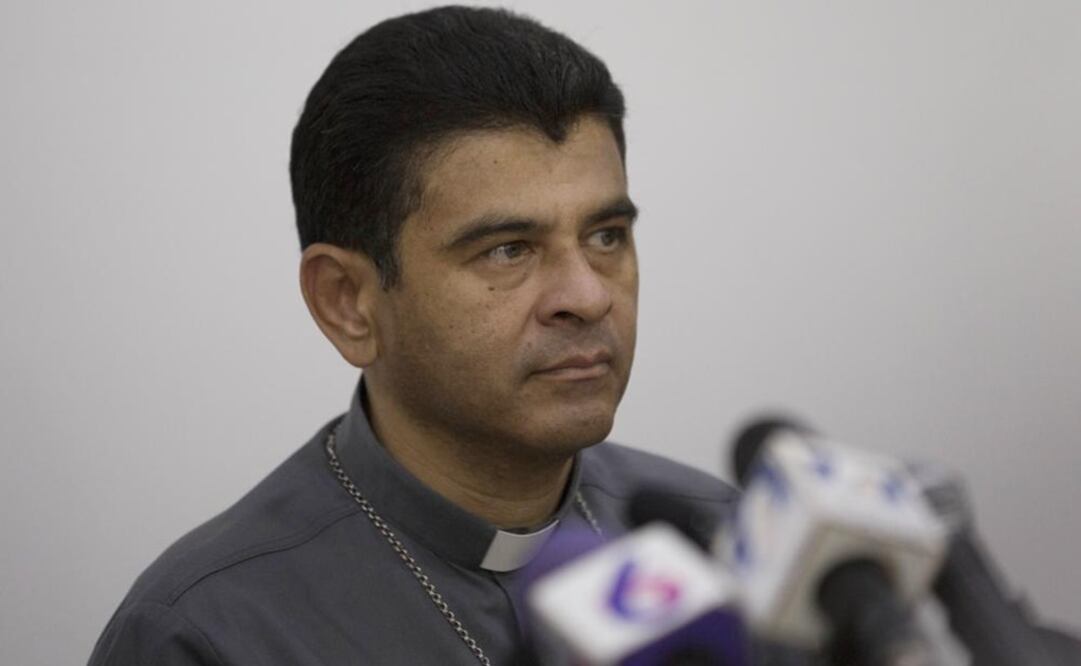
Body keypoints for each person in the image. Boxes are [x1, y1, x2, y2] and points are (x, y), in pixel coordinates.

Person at [88, 6, 736, 665]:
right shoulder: (206, 632)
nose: (589, 295)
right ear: (348, 304)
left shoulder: (727, 541)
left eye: (605, 237)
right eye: (508, 250)